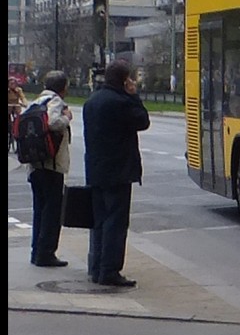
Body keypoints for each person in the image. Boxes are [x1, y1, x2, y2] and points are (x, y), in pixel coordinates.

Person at [83, 59, 151, 288]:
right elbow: (143, 121)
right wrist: (134, 95)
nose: (132, 82)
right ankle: (109, 270)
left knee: (100, 221)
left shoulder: (92, 101)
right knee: (116, 221)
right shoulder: (121, 102)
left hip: (96, 169)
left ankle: (96, 267)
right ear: (124, 80)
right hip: (119, 170)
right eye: (130, 79)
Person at [25, 70, 73, 267]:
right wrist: (67, 118)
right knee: (52, 211)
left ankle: (37, 251)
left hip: (35, 165)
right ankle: (46, 254)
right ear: (63, 88)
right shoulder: (55, 103)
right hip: (51, 166)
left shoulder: (36, 102)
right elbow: (54, 123)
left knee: (40, 210)